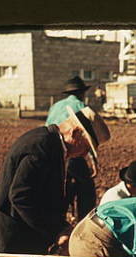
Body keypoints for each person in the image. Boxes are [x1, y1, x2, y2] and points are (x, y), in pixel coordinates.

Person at [0, 105, 109, 255]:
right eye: (86, 147)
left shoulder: (51, 144)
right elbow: (21, 197)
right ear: (75, 133)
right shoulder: (41, 148)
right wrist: (56, 231)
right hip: (10, 239)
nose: (84, 154)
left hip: (21, 237)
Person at [46, 76, 98, 221]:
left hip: (53, 154)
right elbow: (88, 138)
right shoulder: (82, 107)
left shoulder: (55, 106)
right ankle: (84, 219)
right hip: (73, 153)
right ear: (82, 93)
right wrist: (94, 163)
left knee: (60, 189)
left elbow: (47, 128)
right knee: (87, 189)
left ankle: (58, 220)